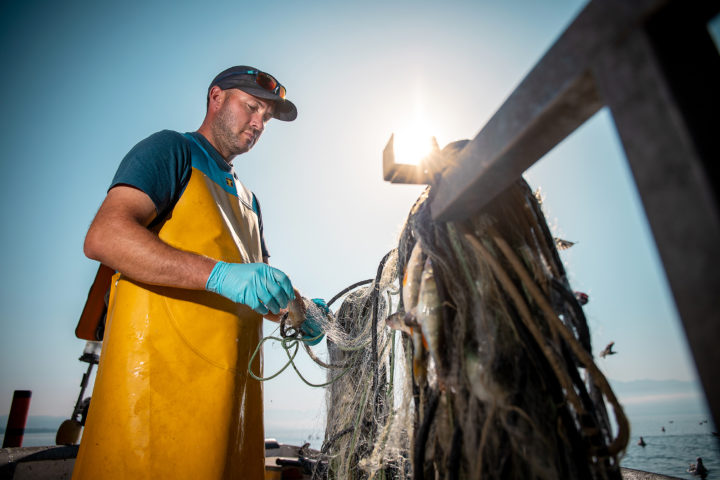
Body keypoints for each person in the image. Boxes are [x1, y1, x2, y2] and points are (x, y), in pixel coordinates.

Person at [72, 66, 315, 479]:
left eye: (266, 119)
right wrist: (220, 275)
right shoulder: (171, 150)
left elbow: (258, 292)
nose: (258, 124)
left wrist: (301, 310)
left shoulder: (250, 202)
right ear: (216, 97)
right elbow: (105, 235)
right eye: (252, 107)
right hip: (151, 404)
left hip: (230, 414)